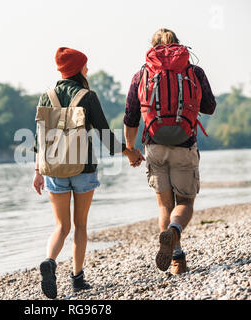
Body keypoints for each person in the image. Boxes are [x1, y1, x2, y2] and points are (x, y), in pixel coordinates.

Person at [32, 47, 142, 299]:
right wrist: (130, 153)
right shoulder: (88, 96)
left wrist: (37, 170)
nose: (88, 69)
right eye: (85, 65)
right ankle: (77, 279)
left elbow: (39, 140)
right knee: (80, 224)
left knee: (61, 226)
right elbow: (105, 136)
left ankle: (50, 260)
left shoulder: (45, 97)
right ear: (78, 69)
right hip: (83, 169)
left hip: (53, 169)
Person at [123, 29, 216, 274]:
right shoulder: (193, 71)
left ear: (152, 47)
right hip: (185, 144)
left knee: (164, 205)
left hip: (154, 146)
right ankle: (174, 231)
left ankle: (176, 256)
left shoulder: (141, 74)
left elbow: (131, 117)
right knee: (185, 202)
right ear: (178, 45)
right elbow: (210, 107)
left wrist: (131, 149)